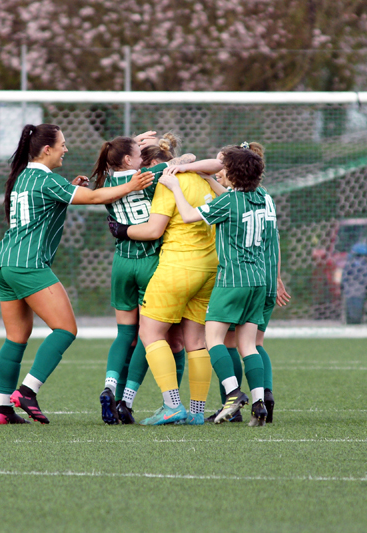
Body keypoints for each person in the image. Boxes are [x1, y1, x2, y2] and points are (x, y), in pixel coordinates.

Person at [0, 124, 153, 424]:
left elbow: (49, 202)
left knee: (16, 338)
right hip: (28, 264)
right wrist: (131, 186)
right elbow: (93, 199)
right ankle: (28, 390)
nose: (66, 149)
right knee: (66, 330)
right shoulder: (46, 180)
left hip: (3, 263)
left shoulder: (23, 177)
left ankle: (2, 410)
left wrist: (69, 186)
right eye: (62, 144)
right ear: (47, 149)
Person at [158, 145, 270, 426]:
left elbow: (188, 215)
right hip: (258, 280)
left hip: (232, 280)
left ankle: (233, 393)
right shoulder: (264, 197)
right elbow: (231, 199)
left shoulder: (229, 201)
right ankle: (258, 403)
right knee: (248, 346)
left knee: (213, 340)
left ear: (231, 173)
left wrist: (175, 186)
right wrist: (209, 179)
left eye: (223, 170)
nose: (219, 173)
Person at [108, 158, 225, 425]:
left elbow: (154, 229)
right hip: (208, 268)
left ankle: (172, 405)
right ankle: (196, 411)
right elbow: (215, 163)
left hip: (178, 267)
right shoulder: (204, 177)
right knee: (196, 342)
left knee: (150, 333)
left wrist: (121, 230)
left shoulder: (167, 182)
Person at [93, 133, 194, 424]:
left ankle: (110, 386)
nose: (143, 157)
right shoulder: (149, 176)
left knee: (124, 334)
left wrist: (129, 143)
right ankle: (126, 401)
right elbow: (186, 159)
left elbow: (113, 159)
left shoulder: (106, 184)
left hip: (121, 263)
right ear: (129, 159)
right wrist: (177, 159)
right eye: (138, 152)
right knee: (149, 336)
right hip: (150, 264)